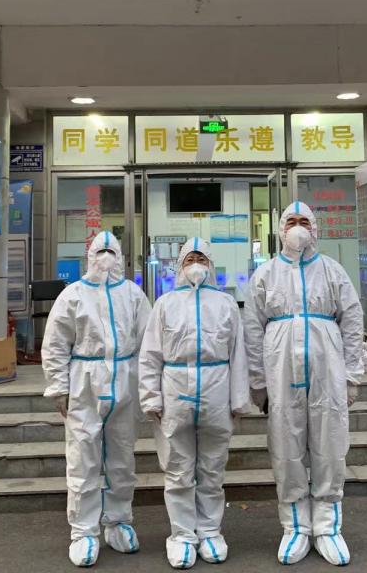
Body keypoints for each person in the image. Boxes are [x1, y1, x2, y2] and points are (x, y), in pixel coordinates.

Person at [243, 201, 364, 567]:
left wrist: (351, 374)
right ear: (281, 229)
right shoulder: (265, 274)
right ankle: (295, 526)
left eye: (304, 221)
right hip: (281, 372)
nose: (298, 227)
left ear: (315, 228)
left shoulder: (332, 271)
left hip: (327, 371)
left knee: (329, 445)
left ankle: (327, 527)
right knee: (286, 446)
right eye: (291, 221)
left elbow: (352, 321)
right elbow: (252, 329)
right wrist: (258, 381)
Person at [42, 231, 152, 568]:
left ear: (120, 257)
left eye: (111, 251)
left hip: (125, 380)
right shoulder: (73, 295)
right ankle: (83, 530)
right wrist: (59, 386)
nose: (105, 257)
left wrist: (148, 386)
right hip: (85, 383)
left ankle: (118, 521)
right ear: (89, 256)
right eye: (100, 251)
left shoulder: (133, 294)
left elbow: (149, 343)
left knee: (122, 458)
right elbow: (56, 343)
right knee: (83, 459)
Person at [138, 237, 250, 569]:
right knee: (177, 469)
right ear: (180, 266)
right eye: (190, 259)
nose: (196, 264)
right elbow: (150, 355)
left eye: (201, 258)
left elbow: (238, 354)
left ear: (210, 264)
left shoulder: (226, 304)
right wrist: (150, 397)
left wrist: (239, 400)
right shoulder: (165, 304)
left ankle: (211, 531)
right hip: (175, 391)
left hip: (216, 388)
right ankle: (182, 535)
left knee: (212, 468)